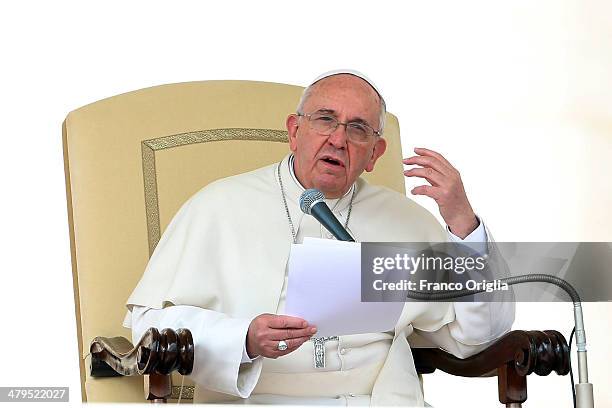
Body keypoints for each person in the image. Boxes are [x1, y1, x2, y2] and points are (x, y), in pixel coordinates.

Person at [124, 70, 515, 406]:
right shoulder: (217, 205)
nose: (339, 139)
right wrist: (243, 338)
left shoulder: (408, 220)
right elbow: (147, 326)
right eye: (325, 119)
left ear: (375, 153)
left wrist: (463, 223)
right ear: (295, 132)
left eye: (358, 128)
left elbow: (478, 337)